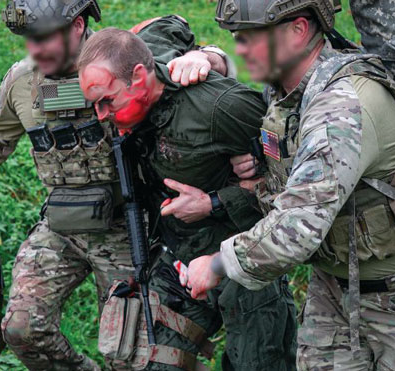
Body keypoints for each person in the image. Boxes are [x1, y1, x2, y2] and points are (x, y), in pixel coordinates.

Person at [0, 0, 232, 369]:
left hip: (125, 228)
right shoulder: (23, 81)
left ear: (78, 25)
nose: (34, 50)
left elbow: (194, 73)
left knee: (128, 348)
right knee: (21, 329)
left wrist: (208, 57)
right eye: (28, 40)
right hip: (61, 227)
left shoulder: (121, 60)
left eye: (44, 38)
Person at [185, 0, 395, 369]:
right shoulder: (290, 82)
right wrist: (212, 57)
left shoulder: (342, 106)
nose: (241, 50)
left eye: (250, 38)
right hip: (335, 291)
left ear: (299, 30)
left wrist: (216, 265)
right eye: (237, 39)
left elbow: (295, 229)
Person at [77, 27, 297, 370]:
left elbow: (297, 188)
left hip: (242, 263)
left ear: (139, 77)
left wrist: (216, 201)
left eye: (107, 101)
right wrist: (209, 54)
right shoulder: (138, 70)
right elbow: (167, 24)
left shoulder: (218, 107)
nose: (101, 115)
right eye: (94, 104)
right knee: (144, 360)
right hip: (177, 261)